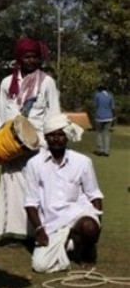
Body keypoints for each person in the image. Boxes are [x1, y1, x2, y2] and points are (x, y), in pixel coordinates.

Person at [0, 37, 61, 241]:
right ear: (19, 58)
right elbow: (0, 113)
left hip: (37, 144)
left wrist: (49, 143)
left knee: (36, 188)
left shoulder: (47, 82)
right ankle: (11, 231)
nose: (32, 61)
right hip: (11, 143)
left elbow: (54, 113)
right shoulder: (7, 83)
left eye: (35, 57)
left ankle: (36, 231)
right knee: (10, 186)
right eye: (27, 57)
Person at [24, 113, 103, 273]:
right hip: (52, 223)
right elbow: (30, 202)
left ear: (67, 137)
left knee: (89, 227)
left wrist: (97, 226)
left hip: (79, 215)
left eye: (61, 134)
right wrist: (39, 230)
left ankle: (87, 252)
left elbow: (94, 195)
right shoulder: (34, 164)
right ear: (45, 137)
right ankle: (72, 243)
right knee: (40, 266)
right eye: (51, 135)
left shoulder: (82, 162)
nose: (56, 139)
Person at [93, 85, 114, 157]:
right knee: (106, 134)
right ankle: (106, 151)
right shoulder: (110, 95)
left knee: (99, 133)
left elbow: (95, 105)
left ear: (99, 90)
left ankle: (100, 150)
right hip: (108, 117)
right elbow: (112, 107)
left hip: (99, 117)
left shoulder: (97, 95)